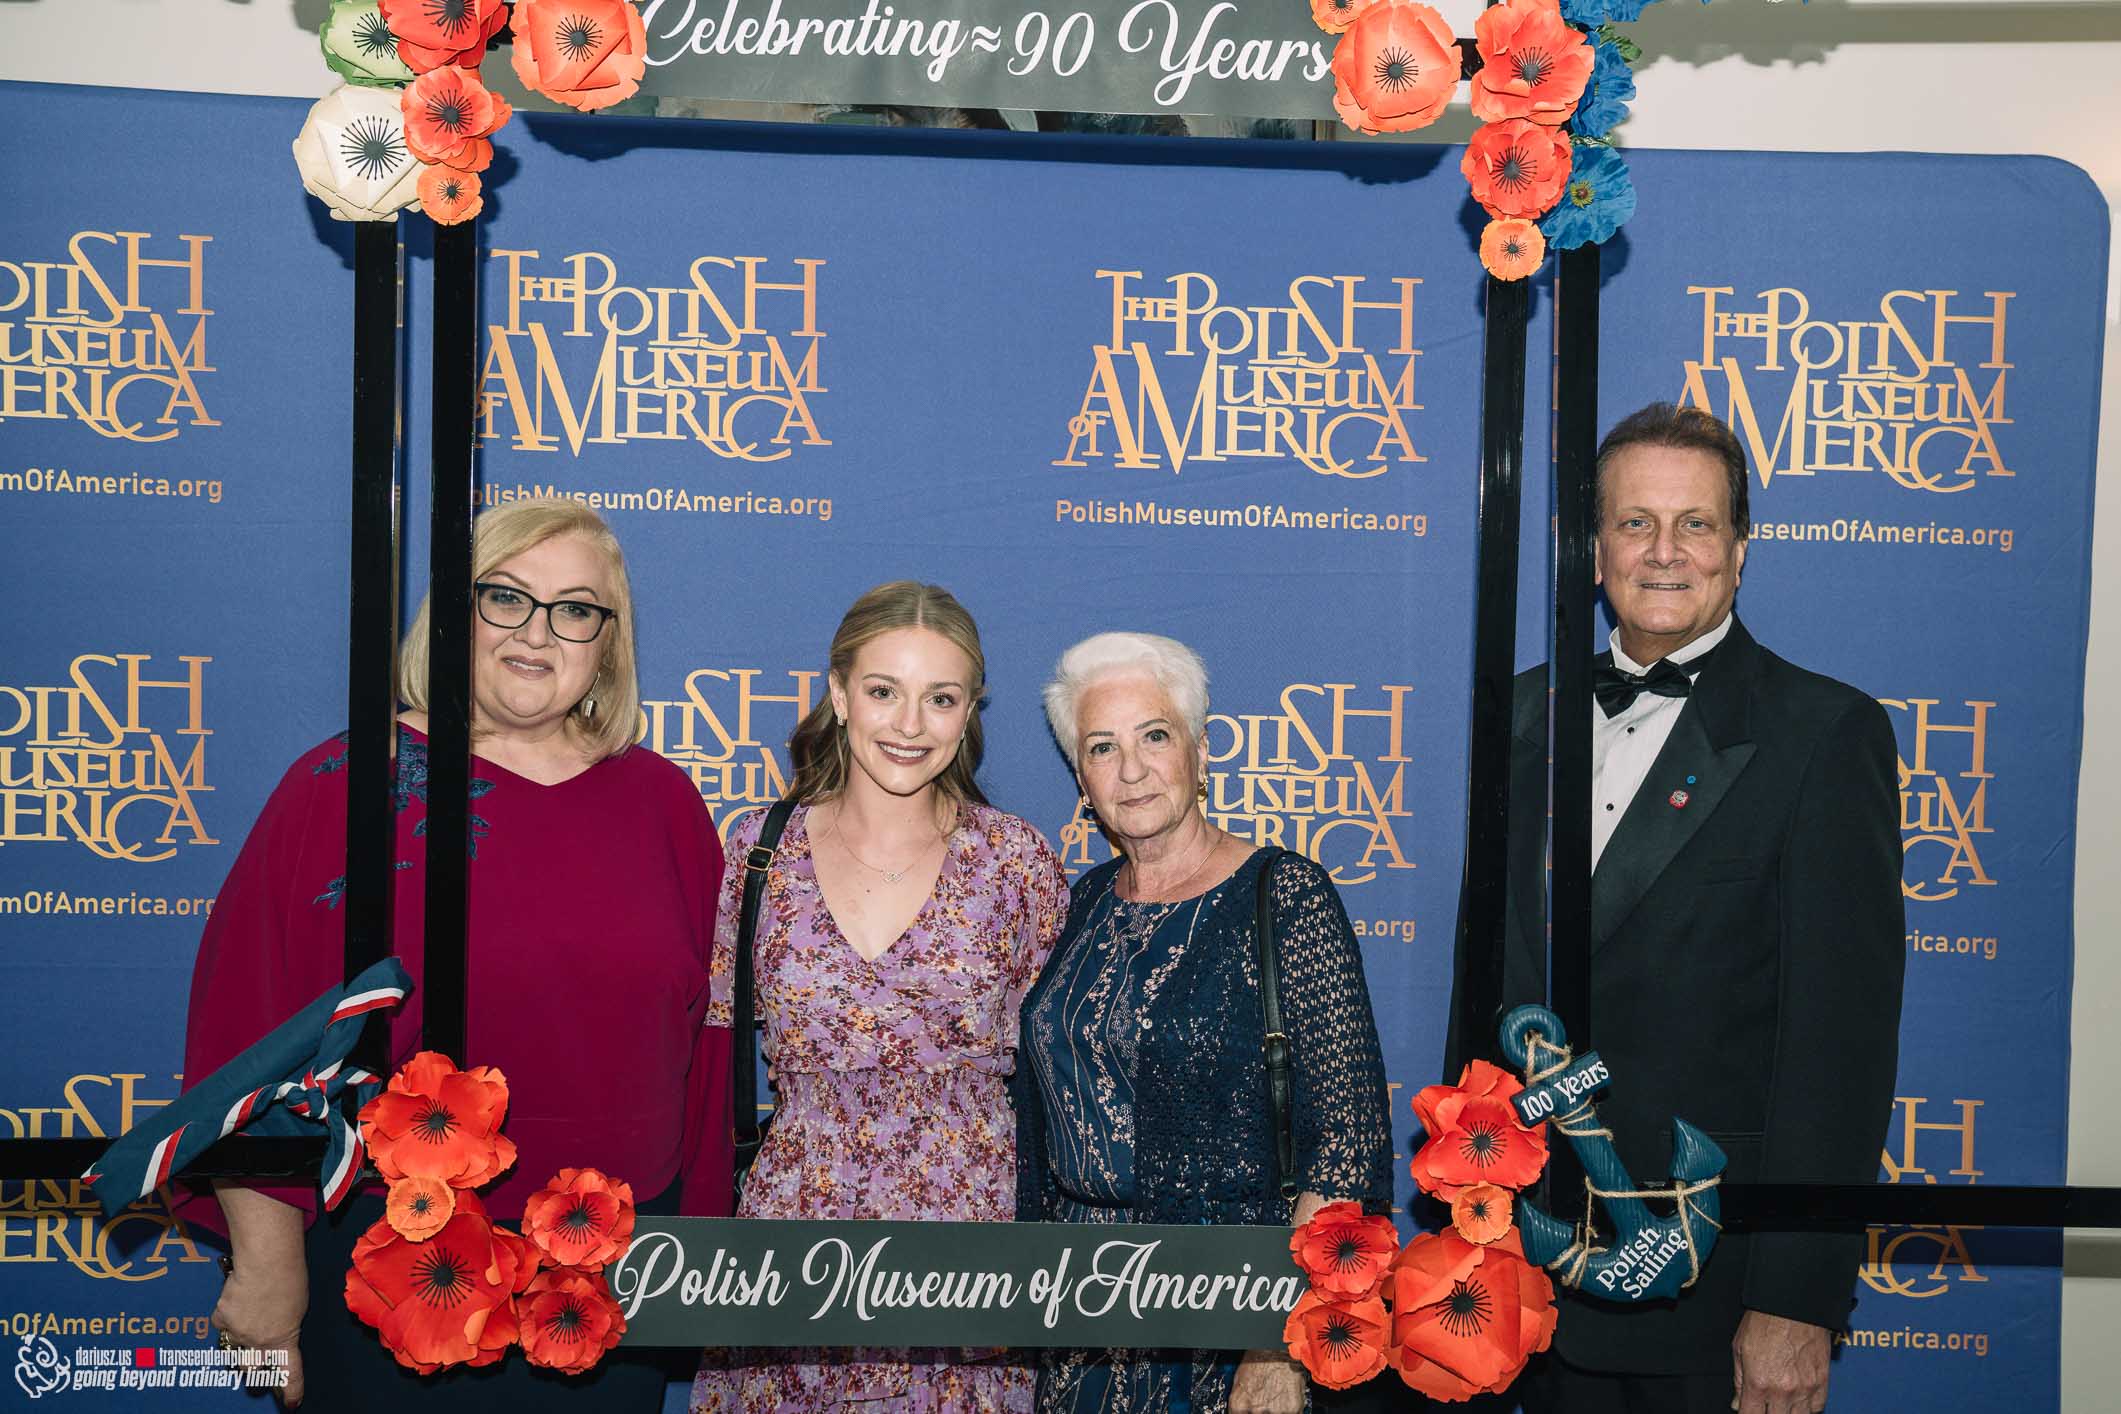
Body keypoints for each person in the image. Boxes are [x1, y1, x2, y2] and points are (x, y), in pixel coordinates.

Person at [182, 497, 732, 1411]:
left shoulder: (664, 803)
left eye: (575, 609)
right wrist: (265, 1268)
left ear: (608, 643)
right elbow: (246, 1038)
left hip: (613, 1290)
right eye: (505, 597)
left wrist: (700, 1263)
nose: (537, 632)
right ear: (451, 614)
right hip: (392, 1278)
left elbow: (706, 1056)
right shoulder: (343, 787)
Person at [1449, 404, 1906, 1414]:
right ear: (1593, 550)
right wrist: (1462, 1237)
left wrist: (1794, 1299)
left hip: (1711, 1291)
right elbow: (1483, 999)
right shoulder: (1519, 712)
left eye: (1695, 523)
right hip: (1520, 1283)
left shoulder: (1824, 733)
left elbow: (1840, 1052)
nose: (1664, 551)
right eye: (1634, 522)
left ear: (1740, 550)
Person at [690, 581, 1068, 1413]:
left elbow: (1059, 1071)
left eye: (940, 698)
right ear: (838, 695)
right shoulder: (758, 849)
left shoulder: (1014, 862)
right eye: (883, 691)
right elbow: (711, 1045)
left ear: (969, 712)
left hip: (967, 1236)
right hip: (793, 1233)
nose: (909, 724)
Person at [1014, 631, 1395, 1414]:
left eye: (1154, 736)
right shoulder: (1082, 902)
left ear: (1200, 750)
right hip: (1080, 1304)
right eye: (1101, 747)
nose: (1131, 769)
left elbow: (1347, 1143)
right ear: (1081, 778)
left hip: (1228, 1308)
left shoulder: (1283, 896)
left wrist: (1278, 1341)